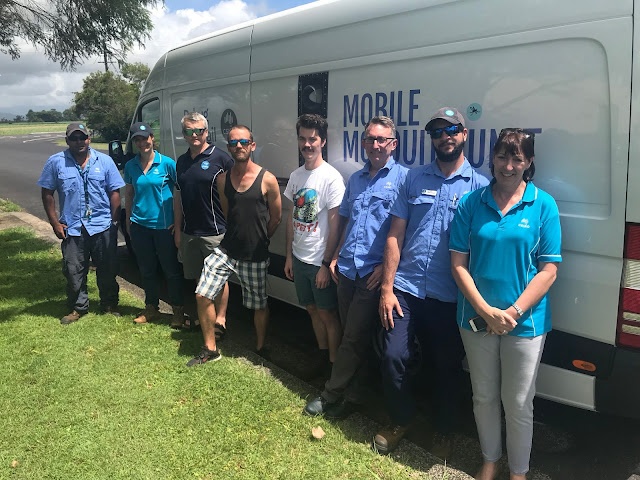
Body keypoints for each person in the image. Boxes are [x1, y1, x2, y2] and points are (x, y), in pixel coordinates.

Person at [376, 107, 489, 455]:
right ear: (432, 139)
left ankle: (444, 427)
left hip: (450, 297)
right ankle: (401, 418)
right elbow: (395, 234)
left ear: (465, 135)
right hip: (406, 290)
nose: (445, 137)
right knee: (393, 356)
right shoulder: (413, 179)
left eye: (452, 129)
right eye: (438, 132)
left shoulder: (481, 188)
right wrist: (386, 287)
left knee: (446, 367)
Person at [449, 128, 561, 480]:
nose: (508, 165)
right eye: (502, 156)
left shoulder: (543, 205)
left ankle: (518, 473)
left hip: (524, 324)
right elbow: (457, 263)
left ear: (529, 163)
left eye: (517, 158)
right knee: (483, 397)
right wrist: (485, 311)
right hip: (475, 319)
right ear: (492, 158)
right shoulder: (472, 203)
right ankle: (489, 460)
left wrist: (510, 313)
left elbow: (549, 270)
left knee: (518, 404)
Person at [304, 116, 407, 418]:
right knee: (354, 335)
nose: (375, 145)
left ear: (393, 144)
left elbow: (405, 233)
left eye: (382, 139)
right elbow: (344, 222)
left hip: (373, 275)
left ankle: (331, 394)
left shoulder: (403, 180)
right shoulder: (356, 180)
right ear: (363, 143)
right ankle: (356, 394)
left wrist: (388, 272)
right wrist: (334, 256)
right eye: (370, 139)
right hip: (347, 271)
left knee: (351, 338)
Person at [187, 125, 282, 366]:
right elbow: (229, 215)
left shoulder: (267, 179)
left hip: (255, 254)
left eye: (243, 141)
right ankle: (210, 348)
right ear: (228, 147)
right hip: (227, 250)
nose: (238, 146)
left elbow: (276, 218)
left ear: (252, 145)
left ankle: (260, 348)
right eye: (233, 142)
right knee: (202, 294)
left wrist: (260, 238)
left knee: (258, 305)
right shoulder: (222, 179)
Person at [38, 122, 124, 324]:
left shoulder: (104, 161)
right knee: (73, 269)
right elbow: (47, 193)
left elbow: (114, 193)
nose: (79, 142)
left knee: (108, 267)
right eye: (74, 138)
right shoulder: (55, 162)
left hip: (102, 225)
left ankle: (109, 304)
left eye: (82, 137)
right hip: (72, 227)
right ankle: (78, 307)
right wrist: (55, 223)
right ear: (67, 140)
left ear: (89, 139)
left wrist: (114, 222)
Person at [284, 114, 345, 370]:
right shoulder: (296, 176)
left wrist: (325, 264)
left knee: (328, 315)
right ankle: (322, 358)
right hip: (299, 258)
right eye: (302, 139)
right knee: (311, 309)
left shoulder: (331, 178)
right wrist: (289, 256)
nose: (307, 144)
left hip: (318, 261)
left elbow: (336, 225)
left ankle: (334, 366)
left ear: (323, 141)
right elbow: (291, 219)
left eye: (313, 139)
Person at [174, 112, 234, 334]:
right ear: (184, 134)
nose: (195, 135)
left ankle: (220, 319)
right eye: (190, 131)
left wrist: (231, 228)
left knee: (218, 279)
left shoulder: (220, 158)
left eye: (199, 130)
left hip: (215, 231)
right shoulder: (181, 162)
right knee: (199, 279)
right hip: (190, 232)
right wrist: (178, 230)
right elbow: (178, 198)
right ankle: (204, 318)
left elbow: (234, 194)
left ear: (207, 132)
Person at [123, 122, 184, 325]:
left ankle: (177, 310)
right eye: (137, 140)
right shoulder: (131, 165)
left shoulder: (167, 163)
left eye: (145, 138)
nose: (142, 143)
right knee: (146, 269)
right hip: (140, 225)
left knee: (171, 270)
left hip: (164, 228)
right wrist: (128, 221)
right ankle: (151, 308)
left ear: (152, 138)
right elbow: (130, 194)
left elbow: (179, 194)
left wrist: (178, 223)